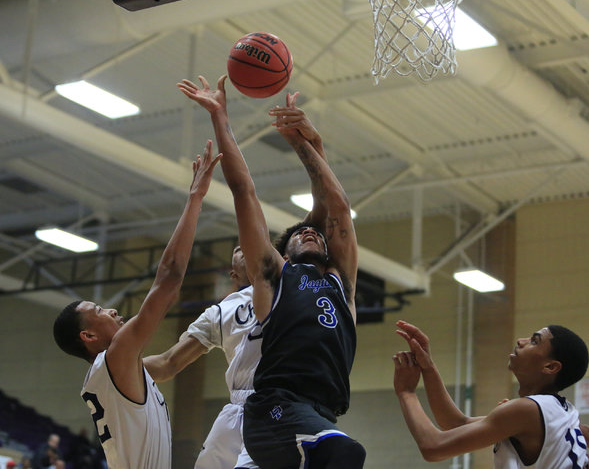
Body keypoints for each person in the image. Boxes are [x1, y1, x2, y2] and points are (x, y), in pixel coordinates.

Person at [177, 75, 366, 469]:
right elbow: (244, 191)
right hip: (274, 409)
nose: (309, 231)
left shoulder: (340, 282)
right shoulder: (275, 279)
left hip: (317, 414)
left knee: (330, 446)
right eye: (299, 234)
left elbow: (337, 205)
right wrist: (220, 115)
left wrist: (311, 143)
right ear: (284, 254)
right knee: (344, 452)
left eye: (315, 231)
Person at [53, 141, 221, 469]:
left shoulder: (122, 371)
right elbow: (169, 279)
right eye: (100, 311)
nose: (112, 310)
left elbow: (172, 362)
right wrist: (195, 199)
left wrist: (218, 319)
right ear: (88, 336)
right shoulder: (114, 359)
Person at [393, 320, 589, 468]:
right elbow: (455, 423)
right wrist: (428, 366)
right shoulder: (557, 410)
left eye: (534, 341)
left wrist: (407, 393)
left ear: (550, 366)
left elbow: (433, 447)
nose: (521, 341)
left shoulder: (528, 410)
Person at [143, 245, 261, 469]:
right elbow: (168, 362)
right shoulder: (220, 312)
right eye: (238, 249)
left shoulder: (292, 288)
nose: (246, 245)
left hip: (288, 403)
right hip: (240, 408)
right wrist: (116, 367)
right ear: (234, 274)